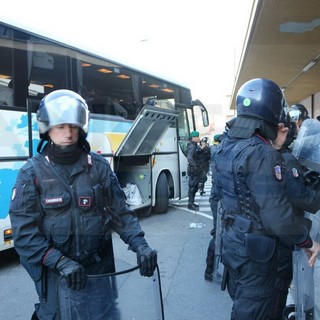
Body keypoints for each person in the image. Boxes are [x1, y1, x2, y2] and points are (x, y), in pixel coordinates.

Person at [9, 89, 157, 320]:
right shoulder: (31, 173)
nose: (67, 133)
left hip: (98, 271)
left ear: (81, 127)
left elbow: (120, 213)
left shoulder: (98, 167)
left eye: (72, 126)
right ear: (47, 129)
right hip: (57, 274)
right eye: (60, 127)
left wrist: (141, 245)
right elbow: (24, 235)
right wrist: (60, 262)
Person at [212, 78, 320, 320]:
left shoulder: (226, 146)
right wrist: (307, 242)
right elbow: (277, 217)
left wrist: (275, 145)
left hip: (234, 245)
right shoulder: (263, 153)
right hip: (257, 256)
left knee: (242, 305)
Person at [204, 133, 224, 282]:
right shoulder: (220, 152)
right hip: (219, 199)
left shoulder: (220, 151)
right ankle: (210, 270)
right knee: (218, 234)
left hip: (219, 198)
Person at [187, 130, 202, 210]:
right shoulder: (192, 146)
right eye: (197, 136)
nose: (198, 138)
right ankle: (190, 204)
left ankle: (192, 202)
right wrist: (194, 166)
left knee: (195, 187)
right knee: (192, 187)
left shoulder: (195, 145)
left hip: (195, 169)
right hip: (193, 170)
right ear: (193, 138)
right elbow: (189, 157)